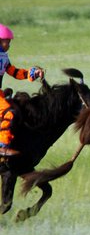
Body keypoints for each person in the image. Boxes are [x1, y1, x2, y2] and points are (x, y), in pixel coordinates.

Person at [0, 24, 45, 156]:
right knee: (10, 112)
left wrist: (32, 73)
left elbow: (14, 72)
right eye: (6, 41)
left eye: (9, 41)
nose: (8, 44)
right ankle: (2, 145)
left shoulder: (4, 57)